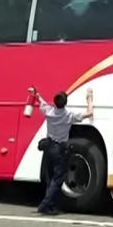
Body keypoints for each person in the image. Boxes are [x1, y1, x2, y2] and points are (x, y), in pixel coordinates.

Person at [28, 86, 94, 215]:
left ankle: (50, 206)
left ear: (55, 102)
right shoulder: (68, 116)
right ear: (66, 103)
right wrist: (89, 98)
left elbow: (41, 102)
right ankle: (45, 205)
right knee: (58, 178)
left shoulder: (49, 112)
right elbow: (89, 113)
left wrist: (37, 94)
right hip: (59, 150)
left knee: (50, 178)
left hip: (49, 147)